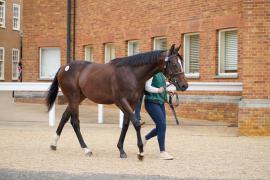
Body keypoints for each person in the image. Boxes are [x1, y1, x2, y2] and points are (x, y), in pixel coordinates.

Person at [143, 72, 175, 160]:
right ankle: (162, 152)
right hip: (151, 102)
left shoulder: (161, 74)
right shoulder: (152, 73)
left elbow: (162, 86)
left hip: (160, 102)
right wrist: (158, 90)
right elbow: (147, 87)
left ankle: (144, 139)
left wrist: (167, 91)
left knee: (161, 126)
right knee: (162, 125)